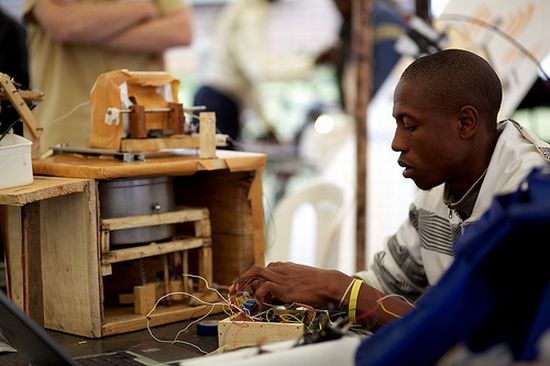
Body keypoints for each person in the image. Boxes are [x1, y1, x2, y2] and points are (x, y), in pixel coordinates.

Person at [230, 49, 550, 329]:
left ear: (465, 123)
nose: (397, 143)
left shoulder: (532, 196)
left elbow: (475, 333)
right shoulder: (439, 188)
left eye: (410, 126)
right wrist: (300, 290)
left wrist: (338, 288)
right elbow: (386, 286)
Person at [23, 0, 193, 153]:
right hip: (68, 136)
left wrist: (88, 29)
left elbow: (181, 31)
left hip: (144, 136)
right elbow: (63, 25)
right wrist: (142, 8)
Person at [193, 0, 313, 144]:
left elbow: (246, 78)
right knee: (217, 162)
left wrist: (265, 122)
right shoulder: (251, 12)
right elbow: (261, 69)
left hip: (214, 98)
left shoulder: (239, 8)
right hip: (219, 103)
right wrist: (310, 62)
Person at [315, 0, 406, 112]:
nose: (337, 5)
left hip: (380, 111)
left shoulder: (381, 21)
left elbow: (385, 75)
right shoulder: (353, 20)